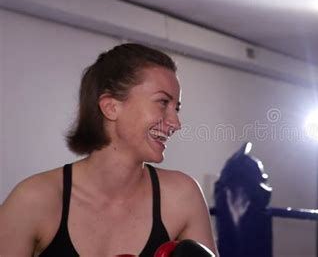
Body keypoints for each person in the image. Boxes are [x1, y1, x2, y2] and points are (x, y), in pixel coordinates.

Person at [0, 43, 218, 256]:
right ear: (111, 107)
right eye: (162, 102)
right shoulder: (34, 200)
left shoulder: (182, 196)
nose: (176, 123)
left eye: (176, 108)